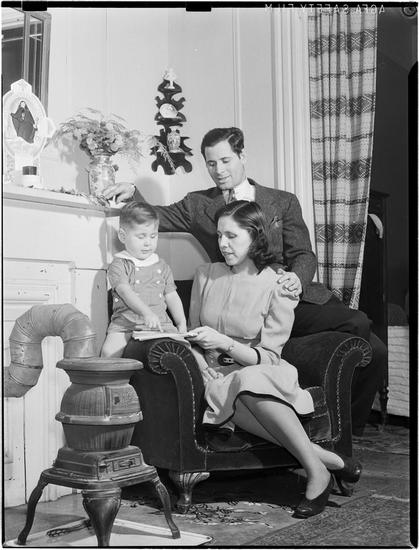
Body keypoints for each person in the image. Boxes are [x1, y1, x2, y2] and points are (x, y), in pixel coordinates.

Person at [103, 127, 387, 436]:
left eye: (225, 160)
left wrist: (296, 278)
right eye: (211, 163)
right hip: (244, 302)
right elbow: (156, 218)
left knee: (369, 339)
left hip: (290, 293)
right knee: (370, 345)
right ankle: (323, 428)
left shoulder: (282, 201)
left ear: (242, 156)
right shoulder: (198, 205)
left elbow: (304, 254)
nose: (218, 170)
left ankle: (346, 431)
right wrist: (132, 193)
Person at [183, 200, 361, 519]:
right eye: (220, 235)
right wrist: (200, 363)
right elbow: (192, 334)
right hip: (218, 377)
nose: (223, 243)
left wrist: (224, 343)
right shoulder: (205, 275)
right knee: (236, 385)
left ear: (255, 236)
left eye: (232, 236)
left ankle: (317, 473)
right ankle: (328, 461)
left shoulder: (279, 284)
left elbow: (267, 357)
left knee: (247, 379)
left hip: (263, 372)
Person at [101, 202, 187, 357]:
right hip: (125, 325)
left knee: (186, 351)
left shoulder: (162, 265)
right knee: (108, 354)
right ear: (122, 236)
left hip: (161, 324)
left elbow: (171, 296)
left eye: (153, 236)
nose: (148, 242)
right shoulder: (119, 264)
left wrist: (181, 323)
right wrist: (146, 313)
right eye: (141, 237)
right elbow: (125, 292)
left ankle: (207, 371)